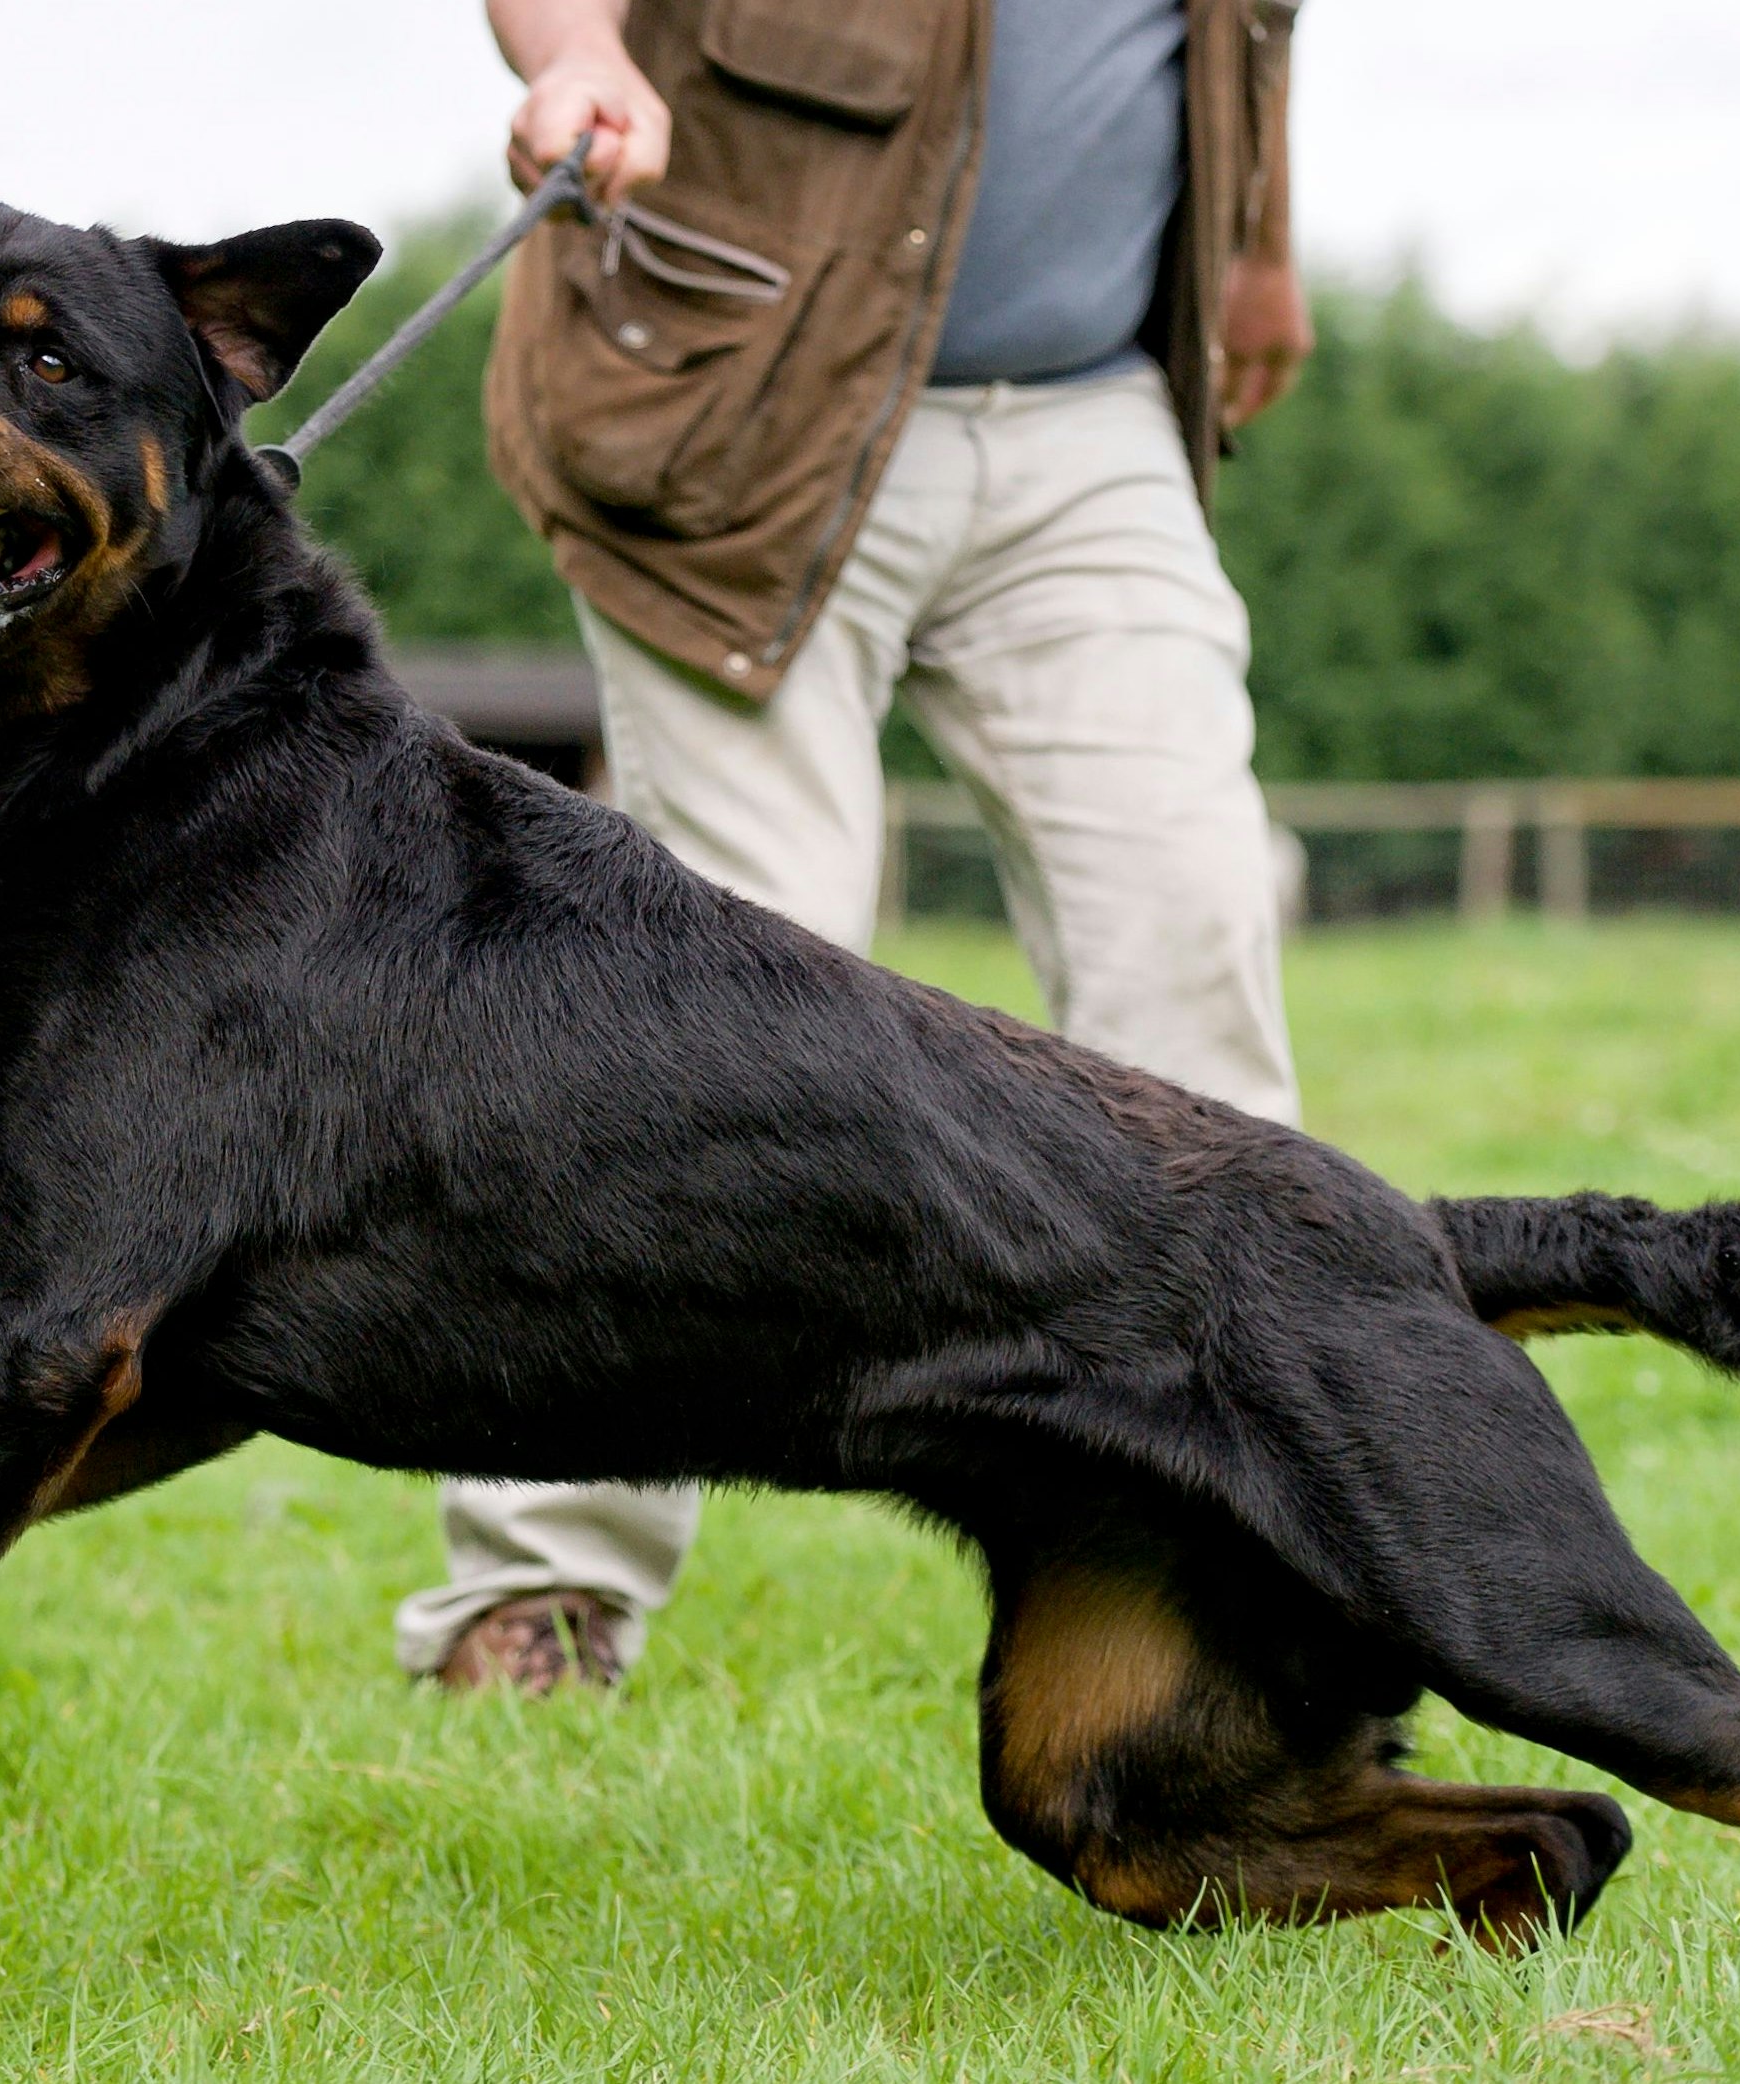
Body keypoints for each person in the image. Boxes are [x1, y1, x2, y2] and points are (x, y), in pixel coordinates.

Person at [399, 0, 1316, 1693]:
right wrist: (572, 61)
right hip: (743, 400)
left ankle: (1244, 1578)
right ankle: (540, 1591)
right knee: (715, 1022)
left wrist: (1252, 243)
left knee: (1193, 941)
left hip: (1086, 414)